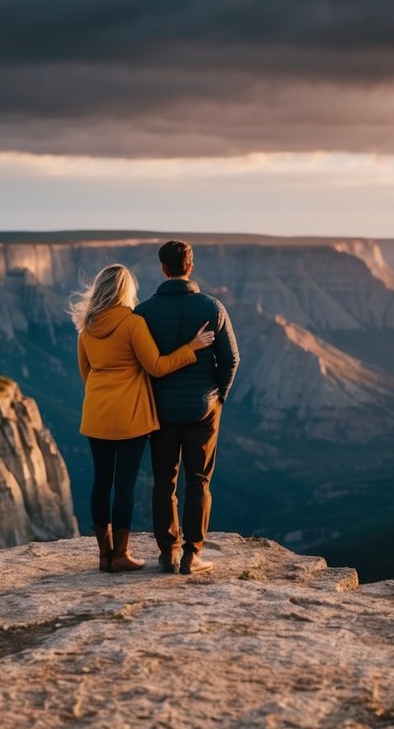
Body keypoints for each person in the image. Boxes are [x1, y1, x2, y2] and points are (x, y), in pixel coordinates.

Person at [70, 263, 215, 573]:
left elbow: (86, 372)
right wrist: (191, 348)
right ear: (126, 290)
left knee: (100, 481)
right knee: (124, 485)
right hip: (130, 415)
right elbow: (157, 366)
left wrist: (101, 395)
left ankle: (103, 554)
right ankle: (121, 554)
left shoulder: (87, 327)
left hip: (96, 412)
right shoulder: (133, 323)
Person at [136, 240, 240, 575]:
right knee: (198, 480)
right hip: (203, 407)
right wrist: (219, 394)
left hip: (161, 408)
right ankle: (193, 555)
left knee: (164, 479)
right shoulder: (212, 307)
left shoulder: (143, 312)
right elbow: (231, 358)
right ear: (190, 266)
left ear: (163, 268)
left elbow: (139, 362)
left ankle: (167, 553)